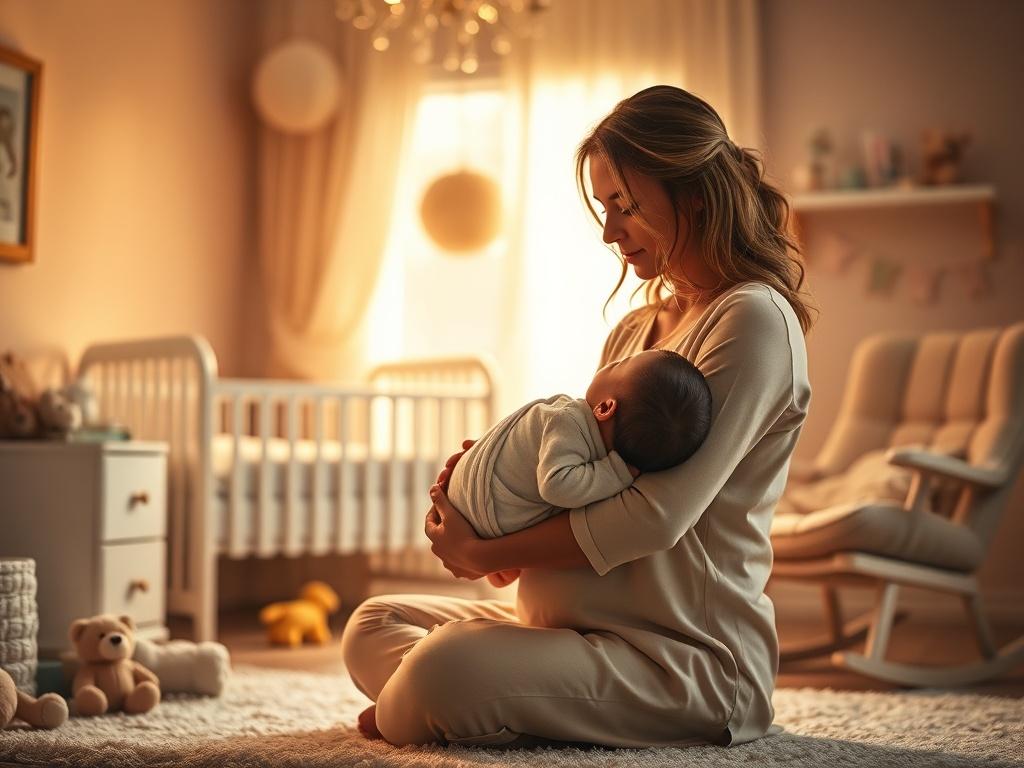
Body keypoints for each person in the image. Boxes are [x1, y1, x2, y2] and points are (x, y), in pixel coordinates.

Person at [341, 84, 813, 748]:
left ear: (694, 196)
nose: (609, 231)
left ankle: (436, 698)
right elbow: (591, 481)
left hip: (675, 661)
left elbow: (655, 516)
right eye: (604, 207)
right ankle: (460, 699)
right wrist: (497, 497)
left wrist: (482, 553)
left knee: (442, 670)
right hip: (567, 629)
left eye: (625, 206)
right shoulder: (635, 330)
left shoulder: (753, 319)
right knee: (374, 622)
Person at [448, 348, 711, 540]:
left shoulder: (569, 422)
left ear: (605, 408)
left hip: (483, 507)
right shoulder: (582, 440)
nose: (613, 362)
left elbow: (556, 486)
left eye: (620, 364)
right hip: (476, 494)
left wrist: (615, 472)